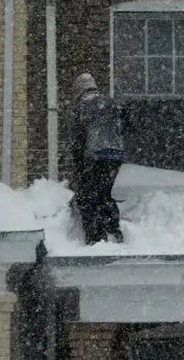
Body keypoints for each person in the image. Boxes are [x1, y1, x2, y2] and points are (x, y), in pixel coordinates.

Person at [70, 72, 126, 244]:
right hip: (115, 155)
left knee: (87, 198)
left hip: (95, 156)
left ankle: (96, 239)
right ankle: (115, 231)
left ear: (79, 91)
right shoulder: (111, 103)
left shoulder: (80, 108)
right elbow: (125, 125)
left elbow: (78, 142)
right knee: (104, 194)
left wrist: (79, 168)